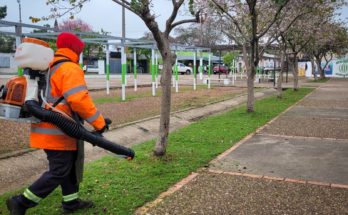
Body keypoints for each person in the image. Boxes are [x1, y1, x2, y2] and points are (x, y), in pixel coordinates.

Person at [6, 32, 107, 215]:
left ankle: (71, 203)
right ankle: (20, 202)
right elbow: (79, 100)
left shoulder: (50, 65)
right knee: (59, 170)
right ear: (76, 49)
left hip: (51, 129)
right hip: (59, 131)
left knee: (68, 168)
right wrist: (99, 123)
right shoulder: (69, 68)